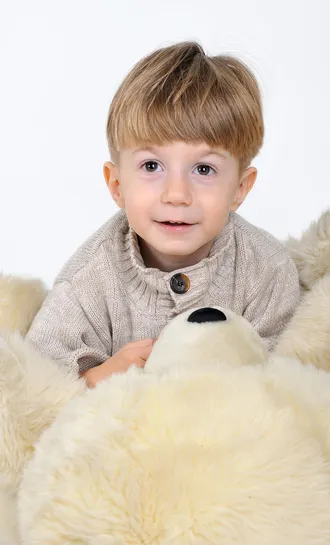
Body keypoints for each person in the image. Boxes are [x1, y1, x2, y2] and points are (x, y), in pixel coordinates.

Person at [26, 41, 300, 388]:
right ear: (117, 185)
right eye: (151, 165)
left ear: (240, 188)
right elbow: (35, 386)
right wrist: (101, 377)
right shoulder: (89, 279)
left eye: (203, 169)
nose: (176, 195)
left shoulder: (266, 271)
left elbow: (293, 385)